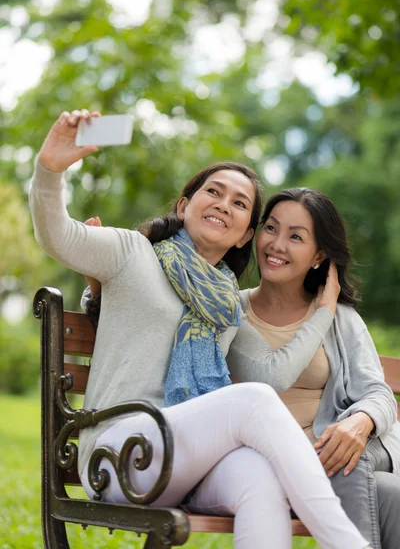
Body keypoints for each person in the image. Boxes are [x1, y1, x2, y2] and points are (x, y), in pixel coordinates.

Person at [30, 109, 372, 549]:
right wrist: (50, 169)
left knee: (258, 475)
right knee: (253, 403)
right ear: (184, 205)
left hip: (184, 461)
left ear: (245, 235)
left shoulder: (227, 305)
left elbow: (269, 376)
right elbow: (57, 233)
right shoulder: (133, 253)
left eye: (239, 203)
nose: (223, 204)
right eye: (213, 191)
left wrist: (324, 310)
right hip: (120, 452)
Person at [228, 188, 400, 549]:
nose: (277, 245)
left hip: (342, 455)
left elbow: (379, 393)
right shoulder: (230, 310)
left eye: (295, 237)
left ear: (319, 255)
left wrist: (360, 421)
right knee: (391, 493)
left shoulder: (343, 318)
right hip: (265, 465)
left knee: (346, 463)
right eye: (271, 229)